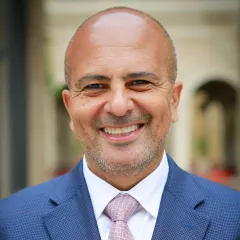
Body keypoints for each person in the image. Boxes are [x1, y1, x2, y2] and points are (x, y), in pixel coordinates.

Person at [0, 7, 240, 240]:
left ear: (174, 101)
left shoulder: (233, 220)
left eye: (139, 82)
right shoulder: (9, 224)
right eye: (94, 86)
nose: (118, 106)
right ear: (70, 108)